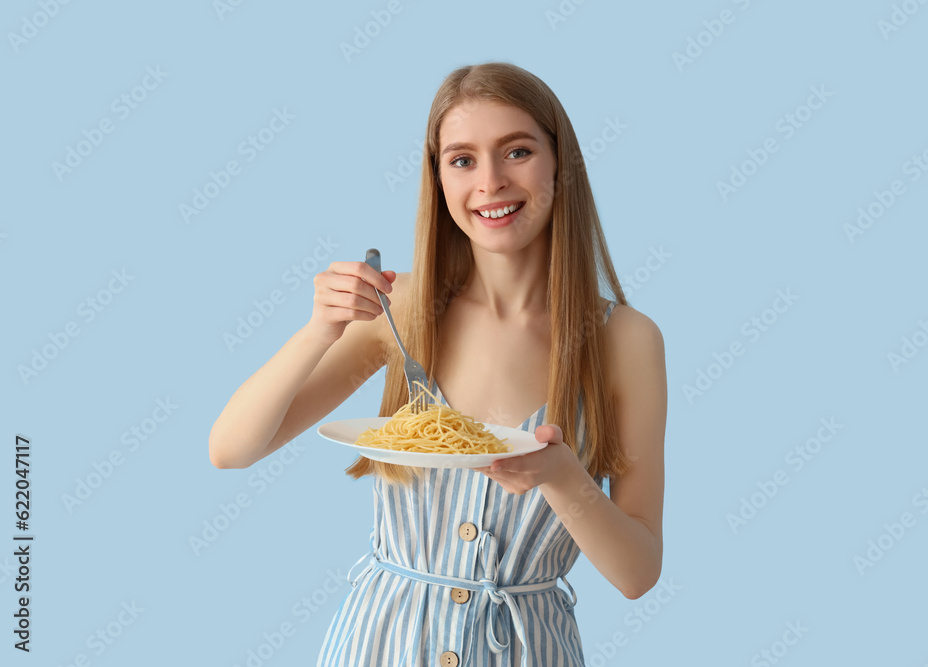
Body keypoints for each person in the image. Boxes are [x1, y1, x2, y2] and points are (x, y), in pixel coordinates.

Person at [209, 61, 667, 667]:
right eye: (462, 160)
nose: (491, 182)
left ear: (561, 163)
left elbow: (637, 573)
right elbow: (232, 448)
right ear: (438, 178)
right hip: (381, 645)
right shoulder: (402, 311)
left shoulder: (625, 340)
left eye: (518, 151)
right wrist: (319, 331)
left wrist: (562, 478)